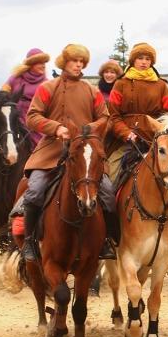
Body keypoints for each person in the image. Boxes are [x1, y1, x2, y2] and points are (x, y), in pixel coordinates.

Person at [11, 43, 116, 262]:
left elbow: (105, 117)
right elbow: (32, 116)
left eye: (81, 62)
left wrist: (92, 129)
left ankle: (107, 241)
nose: (78, 65)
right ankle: (30, 242)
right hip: (51, 151)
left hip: (84, 154)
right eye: (74, 61)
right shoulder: (47, 88)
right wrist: (56, 128)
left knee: (107, 192)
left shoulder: (91, 90)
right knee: (35, 191)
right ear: (64, 62)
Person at [106, 42, 168, 244]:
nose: (144, 62)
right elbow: (113, 115)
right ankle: (108, 230)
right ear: (133, 61)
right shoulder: (121, 84)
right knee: (109, 178)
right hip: (125, 140)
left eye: (148, 59)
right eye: (140, 58)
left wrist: (164, 132)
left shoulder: (161, 85)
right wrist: (126, 133)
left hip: (157, 137)